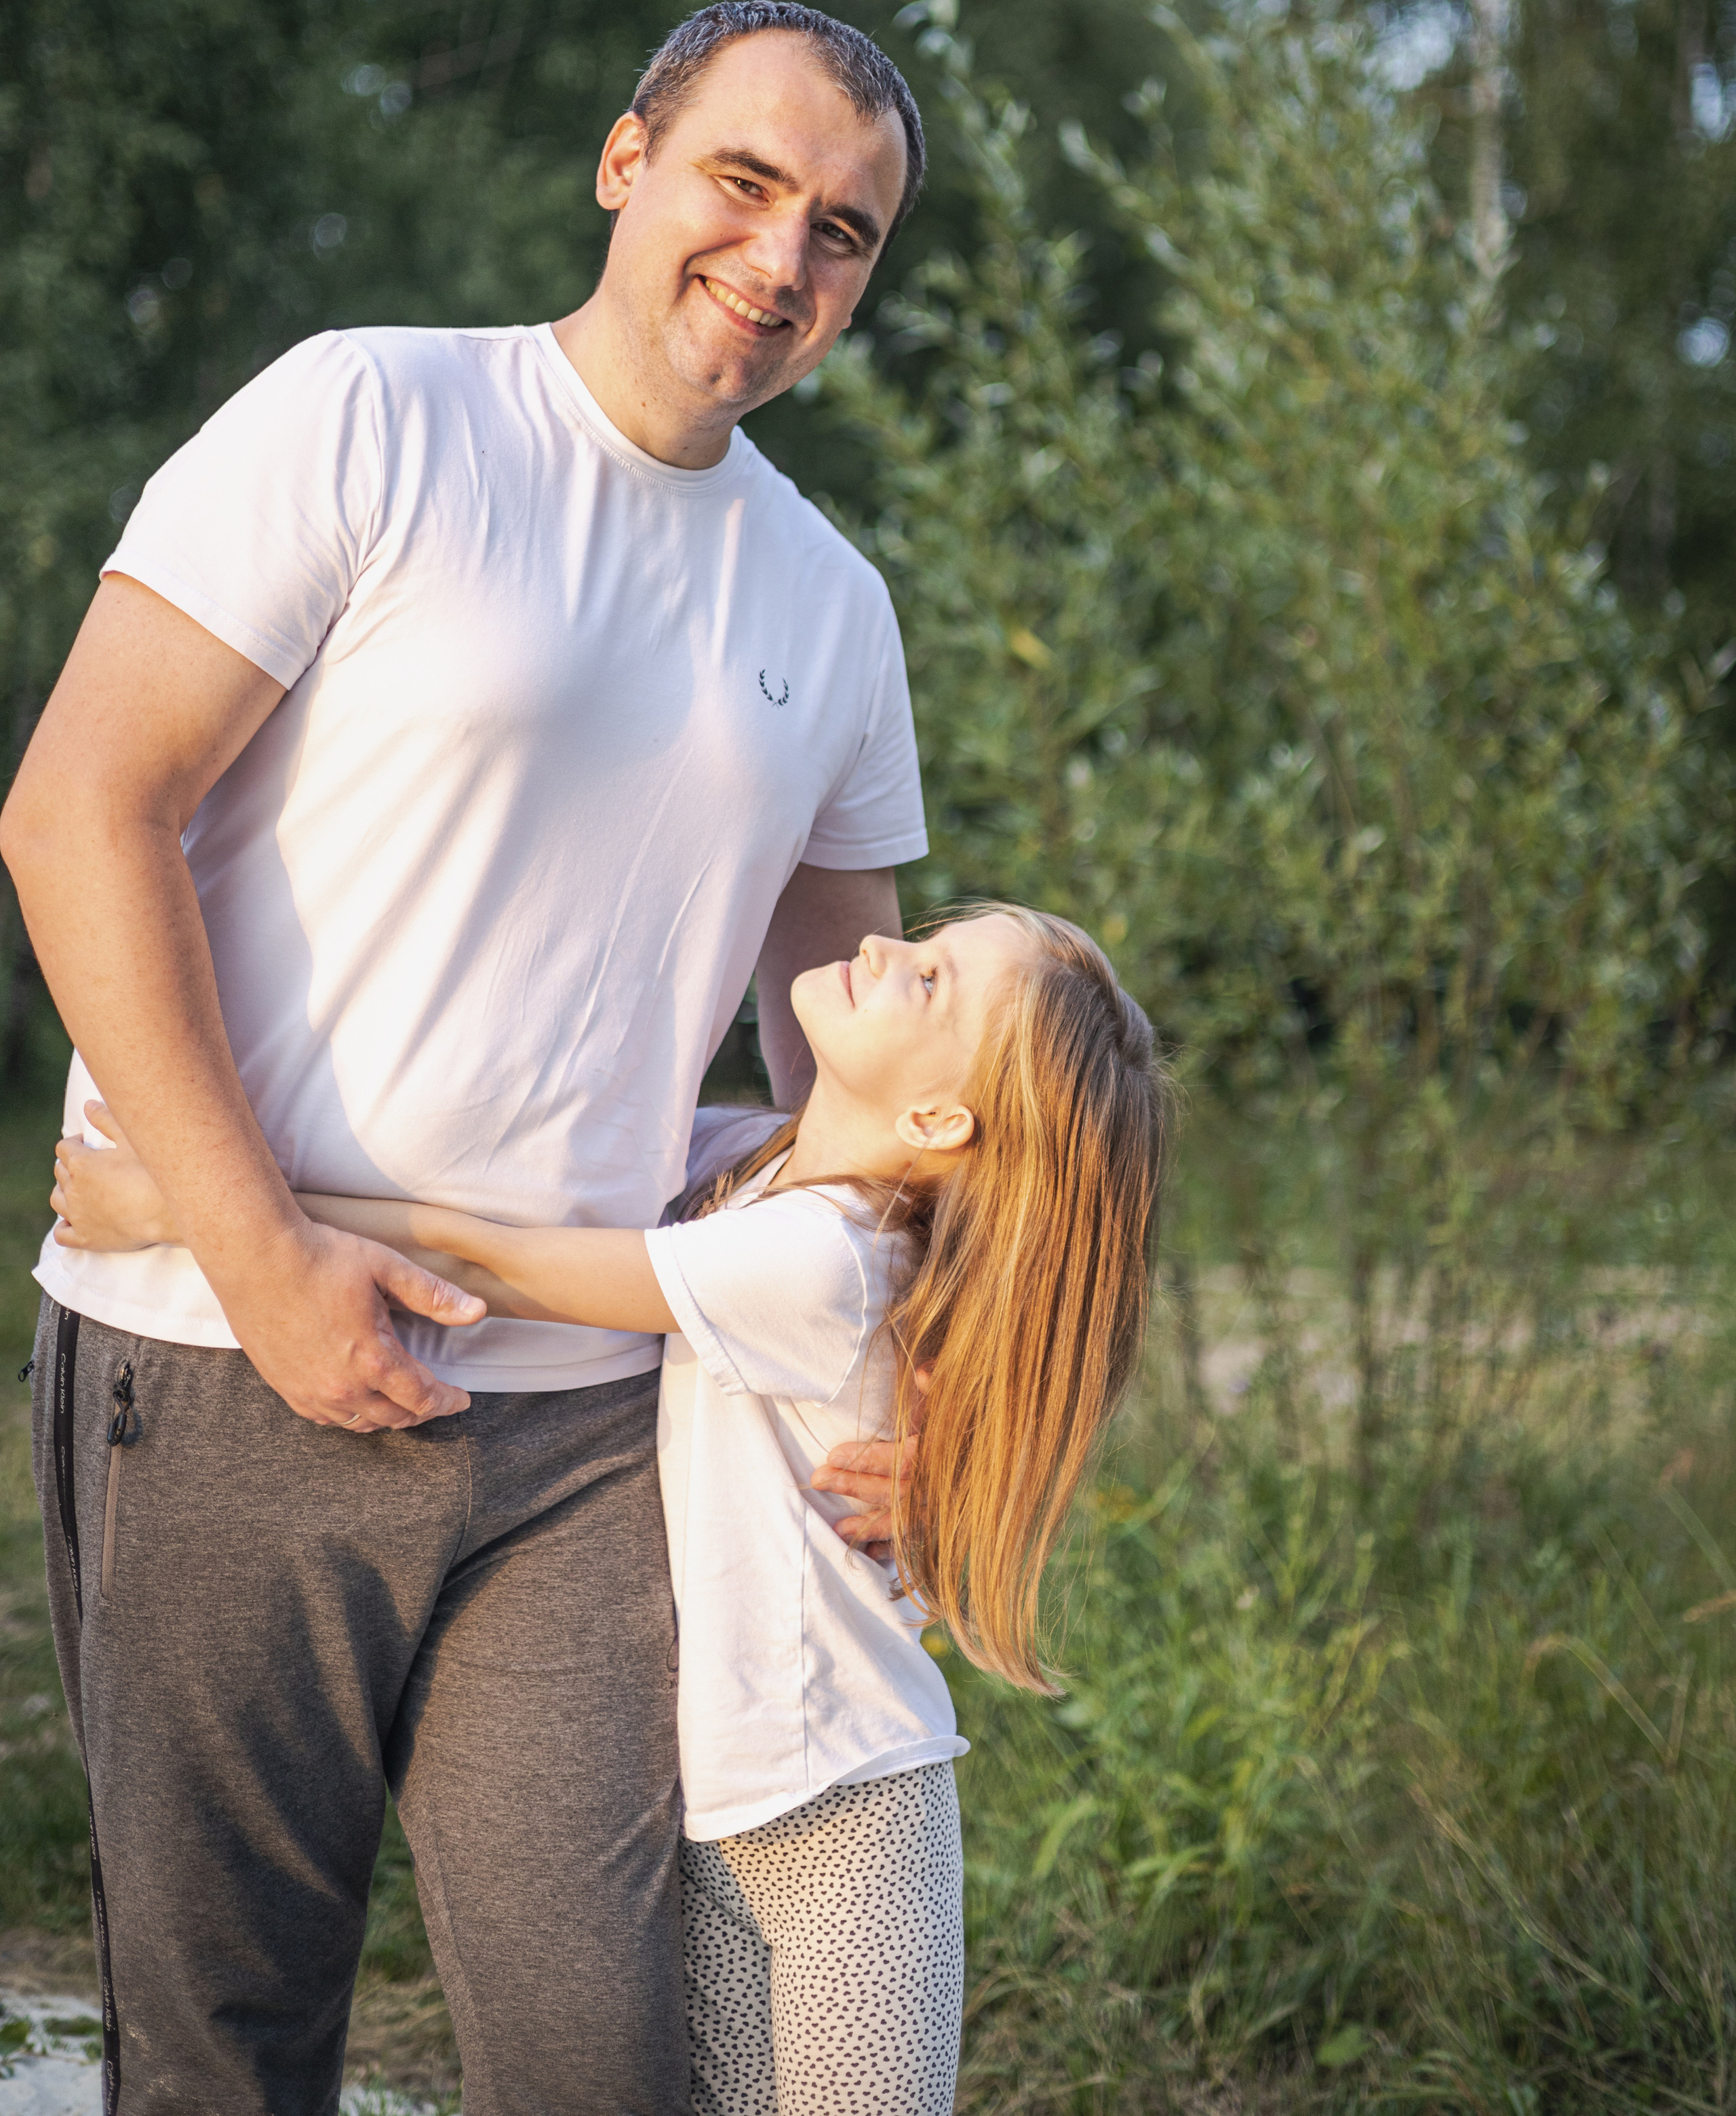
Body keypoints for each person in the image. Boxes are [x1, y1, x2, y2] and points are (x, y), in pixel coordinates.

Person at [1, 0, 935, 2116]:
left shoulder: (833, 605)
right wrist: (251, 1253)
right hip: (215, 1362)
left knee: (606, 2063)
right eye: (747, 182)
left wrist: (920, 1398)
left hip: (593, 1441)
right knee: (229, 2055)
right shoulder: (370, 419)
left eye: (848, 233)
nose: (788, 260)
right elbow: (78, 809)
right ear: (626, 162)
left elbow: (851, 1102)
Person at [52, 902, 1173, 2115]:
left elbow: (501, 1265)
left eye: (935, 979)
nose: (891, 945)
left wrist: (199, 1214)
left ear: (940, 1119)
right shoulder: (749, 1165)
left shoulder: (827, 1254)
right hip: (724, 1809)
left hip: (846, 1820)